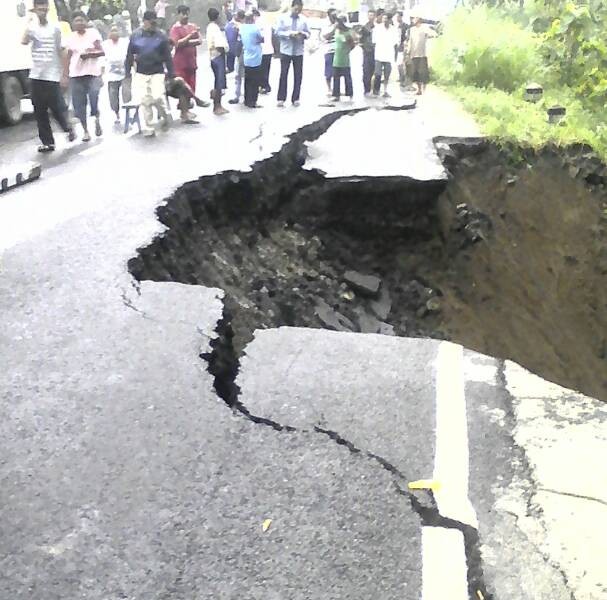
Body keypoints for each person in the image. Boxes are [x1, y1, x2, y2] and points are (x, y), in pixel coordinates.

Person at [21, 0, 75, 153]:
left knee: (56, 107)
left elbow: (62, 51)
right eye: (39, 6)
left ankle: (68, 128)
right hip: (36, 74)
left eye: (44, 6)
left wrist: (65, 74)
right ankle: (47, 142)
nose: (42, 9)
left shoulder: (55, 28)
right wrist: (29, 21)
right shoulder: (32, 27)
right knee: (39, 110)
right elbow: (23, 41)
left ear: (48, 8)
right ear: (35, 8)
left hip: (52, 75)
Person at [125, 10, 174, 137]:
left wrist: (171, 73)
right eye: (151, 22)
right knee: (145, 100)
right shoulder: (136, 35)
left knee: (157, 96)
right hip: (141, 72)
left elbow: (167, 57)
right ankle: (149, 127)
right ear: (145, 22)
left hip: (157, 71)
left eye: (155, 23)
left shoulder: (161, 36)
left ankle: (166, 117)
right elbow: (130, 55)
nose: (153, 25)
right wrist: (127, 73)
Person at [65, 11, 105, 141]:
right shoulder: (70, 37)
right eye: (76, 21)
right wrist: (64, 74)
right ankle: (85, 131)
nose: (79, 23)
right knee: (79, 104)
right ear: (73, 23)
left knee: (94, 96)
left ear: (86, 21)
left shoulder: (93, 33)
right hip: (76, 74)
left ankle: (97, 118)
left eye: (81, 20)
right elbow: (68, 56)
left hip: (92, 73)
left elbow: (101, 51)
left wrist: (90, 54)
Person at [170, 4, 208, 123]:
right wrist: (190, 37)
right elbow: (177, 44)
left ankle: (186, 110)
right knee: (183, 87)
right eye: (183, 13)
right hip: (180, 62)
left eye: (187, 13)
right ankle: (184, 113)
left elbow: (200, 41)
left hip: (191, 60)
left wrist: (188, 41)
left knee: (191, 86)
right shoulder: (175, 28)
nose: (185, 16)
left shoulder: (192, 26)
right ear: (178, 14)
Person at [275, 0, 310, 107]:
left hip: (298, 51)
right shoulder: (283, 18)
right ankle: (281, 98)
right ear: (292, 7)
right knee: (284, 74)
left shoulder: (304, 20)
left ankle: (296, 98)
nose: (297, 11)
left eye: (299, 9)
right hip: (286, 50)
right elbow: (277, 32)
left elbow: (308, 33)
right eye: (296, 9)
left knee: (298, 75)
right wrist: (289, 34)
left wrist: (303, 34)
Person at [102, 25, 128, 124]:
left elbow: (130, 55)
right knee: (113, 95)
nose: (114, 33)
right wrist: (101, 72)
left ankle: (127, 112)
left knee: (127, 93)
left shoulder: (125, 42)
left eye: (116, 31)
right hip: (111, 75)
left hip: (125, 72)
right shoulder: (105, 44)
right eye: (112, 31)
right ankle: (116, 113)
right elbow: (102, 59)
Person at [206, 7, 230, 115]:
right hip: (218, 56)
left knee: (218, 81)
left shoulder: (210, 27)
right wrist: (224, 52)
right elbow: (219, 44)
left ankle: (217, 104)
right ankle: (217, 106)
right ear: (217, 17)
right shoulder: (214, 28)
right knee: (219, 82)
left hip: (213, 56)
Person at [239, 12, 264, 108]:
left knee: (247, 80)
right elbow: (261, 39)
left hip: (246, 57)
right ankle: (253, 101)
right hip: (256, 58)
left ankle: (247, 100)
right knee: (255, 81)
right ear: (252, 18)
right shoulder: (255, 28)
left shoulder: (242, 28)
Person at [372, 13, 398, 98]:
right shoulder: (377, 28)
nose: (385, 20)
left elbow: (395, 43)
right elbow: (374, 41)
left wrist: (395, 56)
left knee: (387, 74)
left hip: (389, 54)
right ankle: (376, 91)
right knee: (378, 73)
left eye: (386, 18)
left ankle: (385, 91)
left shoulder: (394, 29)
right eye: (383, 18)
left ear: (390, 20)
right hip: (379, 54)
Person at [408, 16, 436, 95]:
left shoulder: (424, 28)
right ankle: (419, 89)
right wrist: (408, 52)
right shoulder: (412, 29)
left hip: (422, 54)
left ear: (419, 19)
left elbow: (433, 34)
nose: (413, 20)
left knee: (423, 73)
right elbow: (410, 40)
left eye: (415, 18)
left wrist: (429, 36)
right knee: (415, 73)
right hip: (414, 54)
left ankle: (424, 90)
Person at [331, 15, 354, 102]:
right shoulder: (336, 31)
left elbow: (352, 44)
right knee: (336, 78)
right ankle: (336, 95)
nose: (336, 23)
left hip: (344, 59)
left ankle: (349, 94)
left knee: (347, 77)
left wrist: (347, 50)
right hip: (336, 58)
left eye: (338, 22)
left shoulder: (347, 33)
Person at [227, 10, 245, 104]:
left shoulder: (239, 27)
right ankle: (239, 94)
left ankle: (238, 95)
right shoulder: (236, 26)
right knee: (240, 75)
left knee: (239, 75)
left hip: (242, 53)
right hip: (241, 53)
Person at [359, 9, 375, 96]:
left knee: (375, 72)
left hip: (376, 52)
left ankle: (375, 90)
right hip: (367, 52)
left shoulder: (377, 27)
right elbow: (360, 41)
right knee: (366, 71)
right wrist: (365, 47)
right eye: (369, 15)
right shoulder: (364, 27)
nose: (371, 17)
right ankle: (367, 90)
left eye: (372, 15)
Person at [257, 9, 274, 94]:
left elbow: (261, 38)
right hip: (268, 50)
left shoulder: (259, 24)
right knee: (266, 70)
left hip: (263, 50)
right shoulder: (267, 23)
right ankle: (265, 86)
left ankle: (264, 86)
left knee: (261, 70)